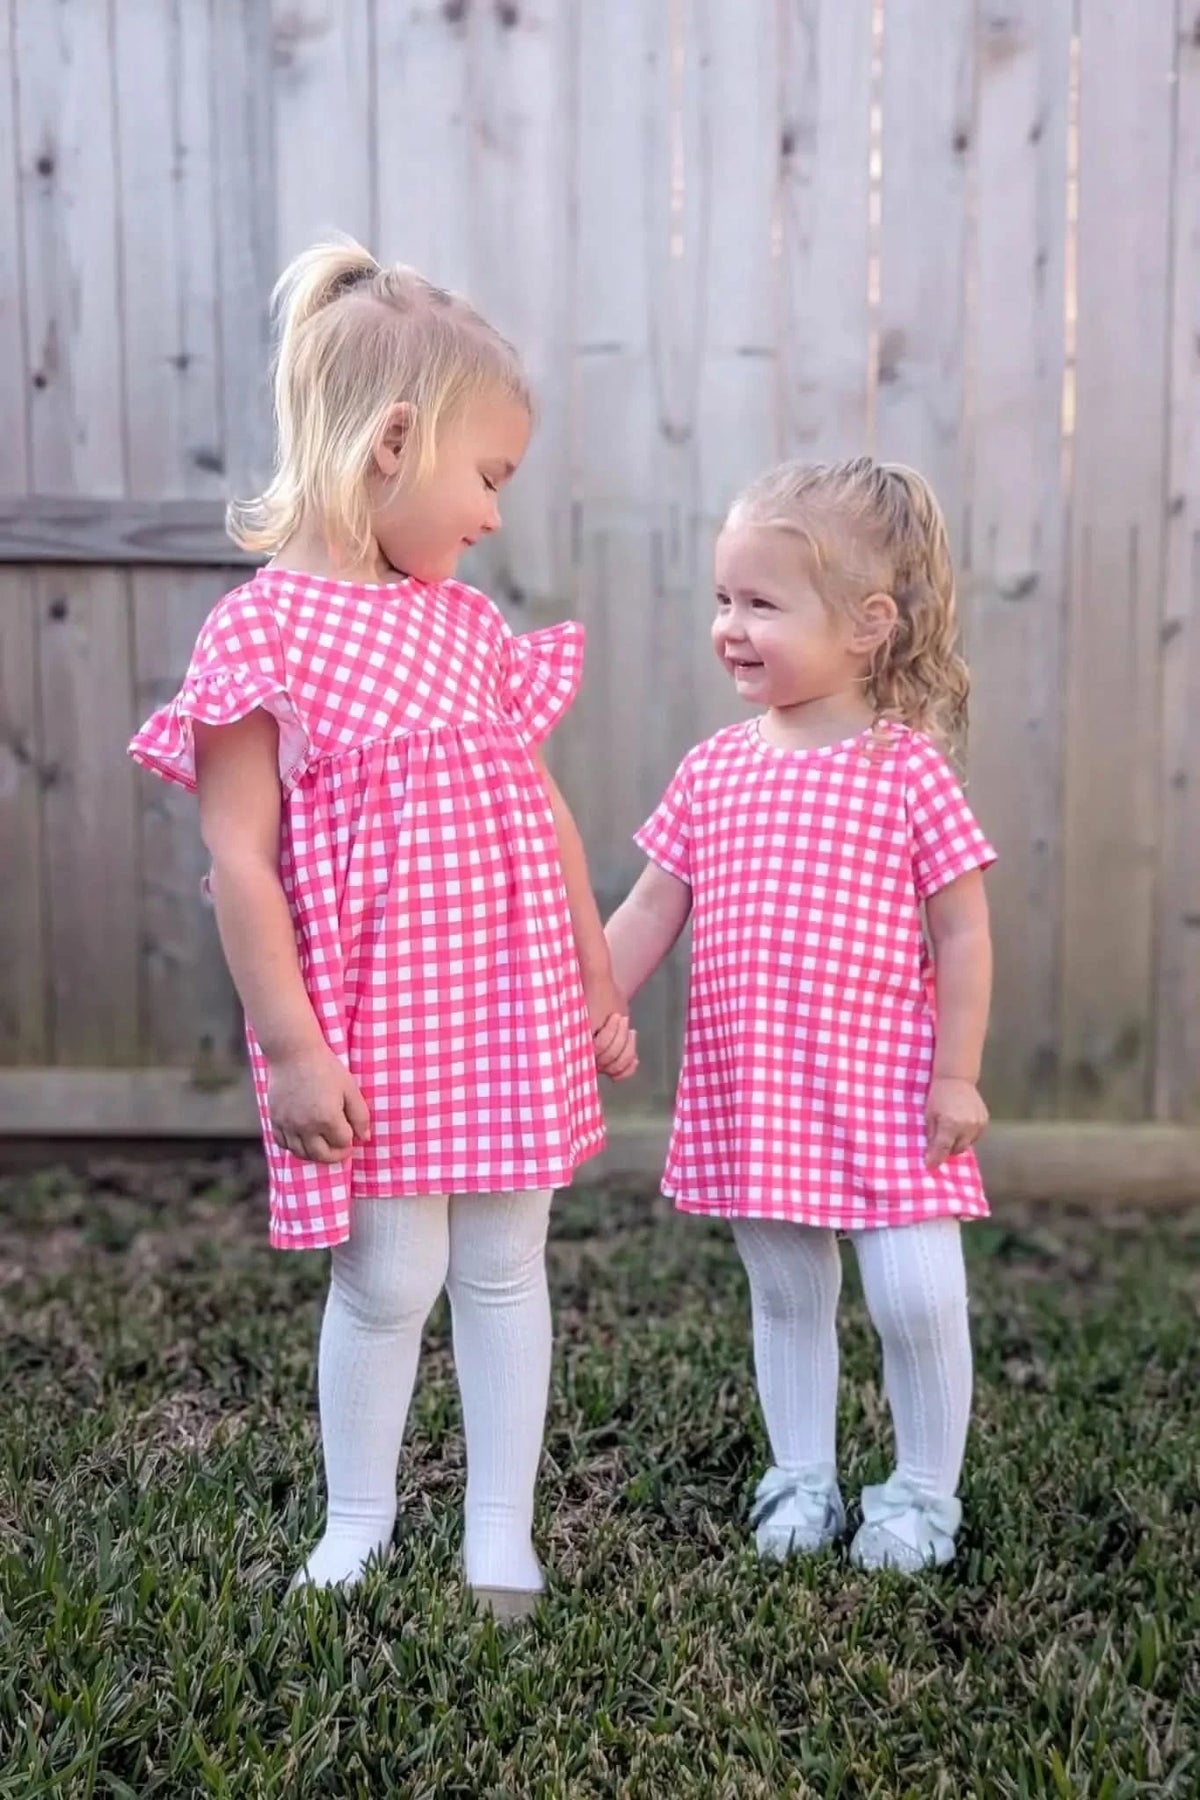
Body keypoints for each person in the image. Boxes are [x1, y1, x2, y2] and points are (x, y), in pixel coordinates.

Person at [130, 237, 636, 1617]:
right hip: (373, 1021)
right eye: (487, 478)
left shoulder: (471, 630)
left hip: (510, 1001)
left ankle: (498, 1528)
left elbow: (544, 818)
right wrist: (292, 1049)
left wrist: (595, 978)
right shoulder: (266, 634)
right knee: (390, 1273)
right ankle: (358, 1522)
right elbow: (239, 858)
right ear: (394, 443)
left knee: (504, 1263)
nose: (488, 517)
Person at [605, 458, 995, 1572]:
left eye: (762, 603)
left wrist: (958, 1072)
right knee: (786, 1292)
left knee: (915, 1297)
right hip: (760, 1083)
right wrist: (589, 1004)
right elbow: (646, 906)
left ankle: (921, 1494)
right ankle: (803, 1477)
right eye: (723, 599)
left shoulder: (905, 771)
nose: (730, 625)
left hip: (888, 1084)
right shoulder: (714, 769)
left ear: (869, 625)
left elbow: (962, 933)